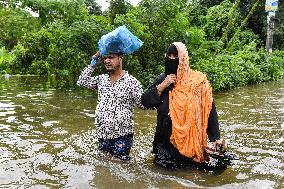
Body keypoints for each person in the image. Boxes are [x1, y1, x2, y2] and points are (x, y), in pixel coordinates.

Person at [141, 42, 228, 169]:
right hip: (164, 143)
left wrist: (216, 138)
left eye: (175, 56)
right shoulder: (162, 79)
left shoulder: (198, 82)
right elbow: (144, 102)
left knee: (188, 176)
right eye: (168, 55)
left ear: (183, 58)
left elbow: (209, 110)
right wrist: (161, 87)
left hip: (190, 142)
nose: (171, 59)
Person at [77, 51, 144, 160]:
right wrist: (94, 62)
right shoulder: (101, 80)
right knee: (104, 167)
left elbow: (142, 104)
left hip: (122, 135)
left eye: (111, 57)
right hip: (103, 134)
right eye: (105, 58)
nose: (107, 61)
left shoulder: (132, 82)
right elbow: (82, 81)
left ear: (120, 58)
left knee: (120, 168)